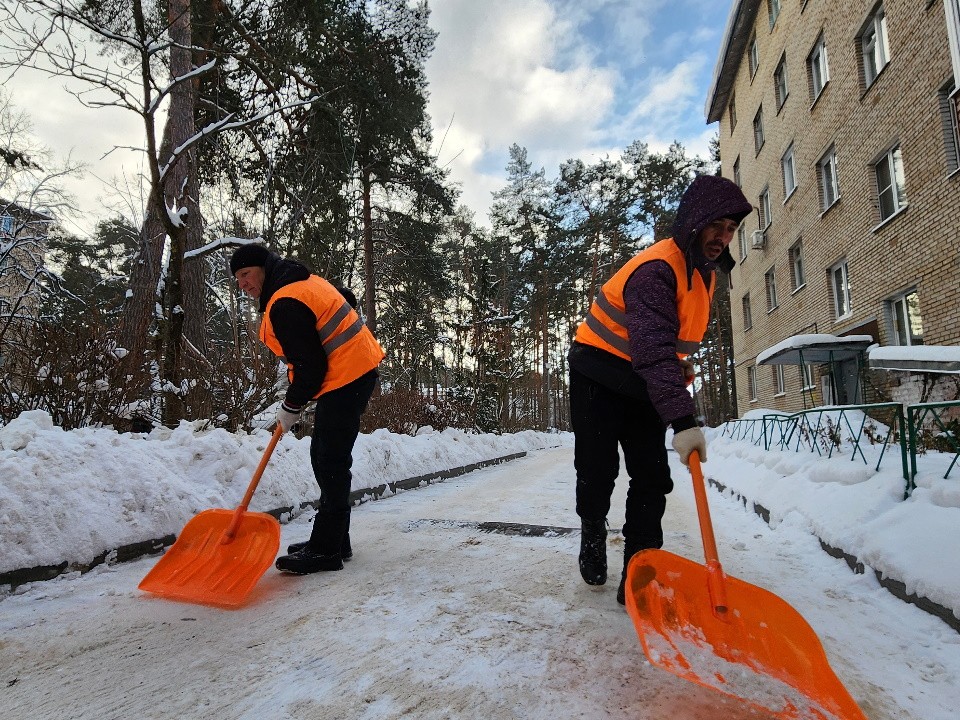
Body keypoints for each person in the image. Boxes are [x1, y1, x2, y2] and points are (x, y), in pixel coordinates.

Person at [567, 174, 752, 604]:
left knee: (652, 476)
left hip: (641, 383)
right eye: (717, 226)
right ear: (694, 221)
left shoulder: (704, 274)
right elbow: (651, 348)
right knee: (597, 471)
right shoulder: (657, 271)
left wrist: (676, 374)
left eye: (731, 230)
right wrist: (682, 418)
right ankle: (593, 531)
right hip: (597, 373)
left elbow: (668, 345)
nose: (724, 238)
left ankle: (640, 570)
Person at [230, 243, 385, 574]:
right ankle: (334, 540)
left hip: (347, 378)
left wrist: (291, 405)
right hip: (351, 374)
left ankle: (327, 550)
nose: (242, 284)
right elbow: (344, 297)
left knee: (330, 460)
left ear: (263, 267)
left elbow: (310, 367)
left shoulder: (284, 301)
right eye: (237, 279)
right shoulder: (300, 282)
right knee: (325, 457)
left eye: (245, 274)